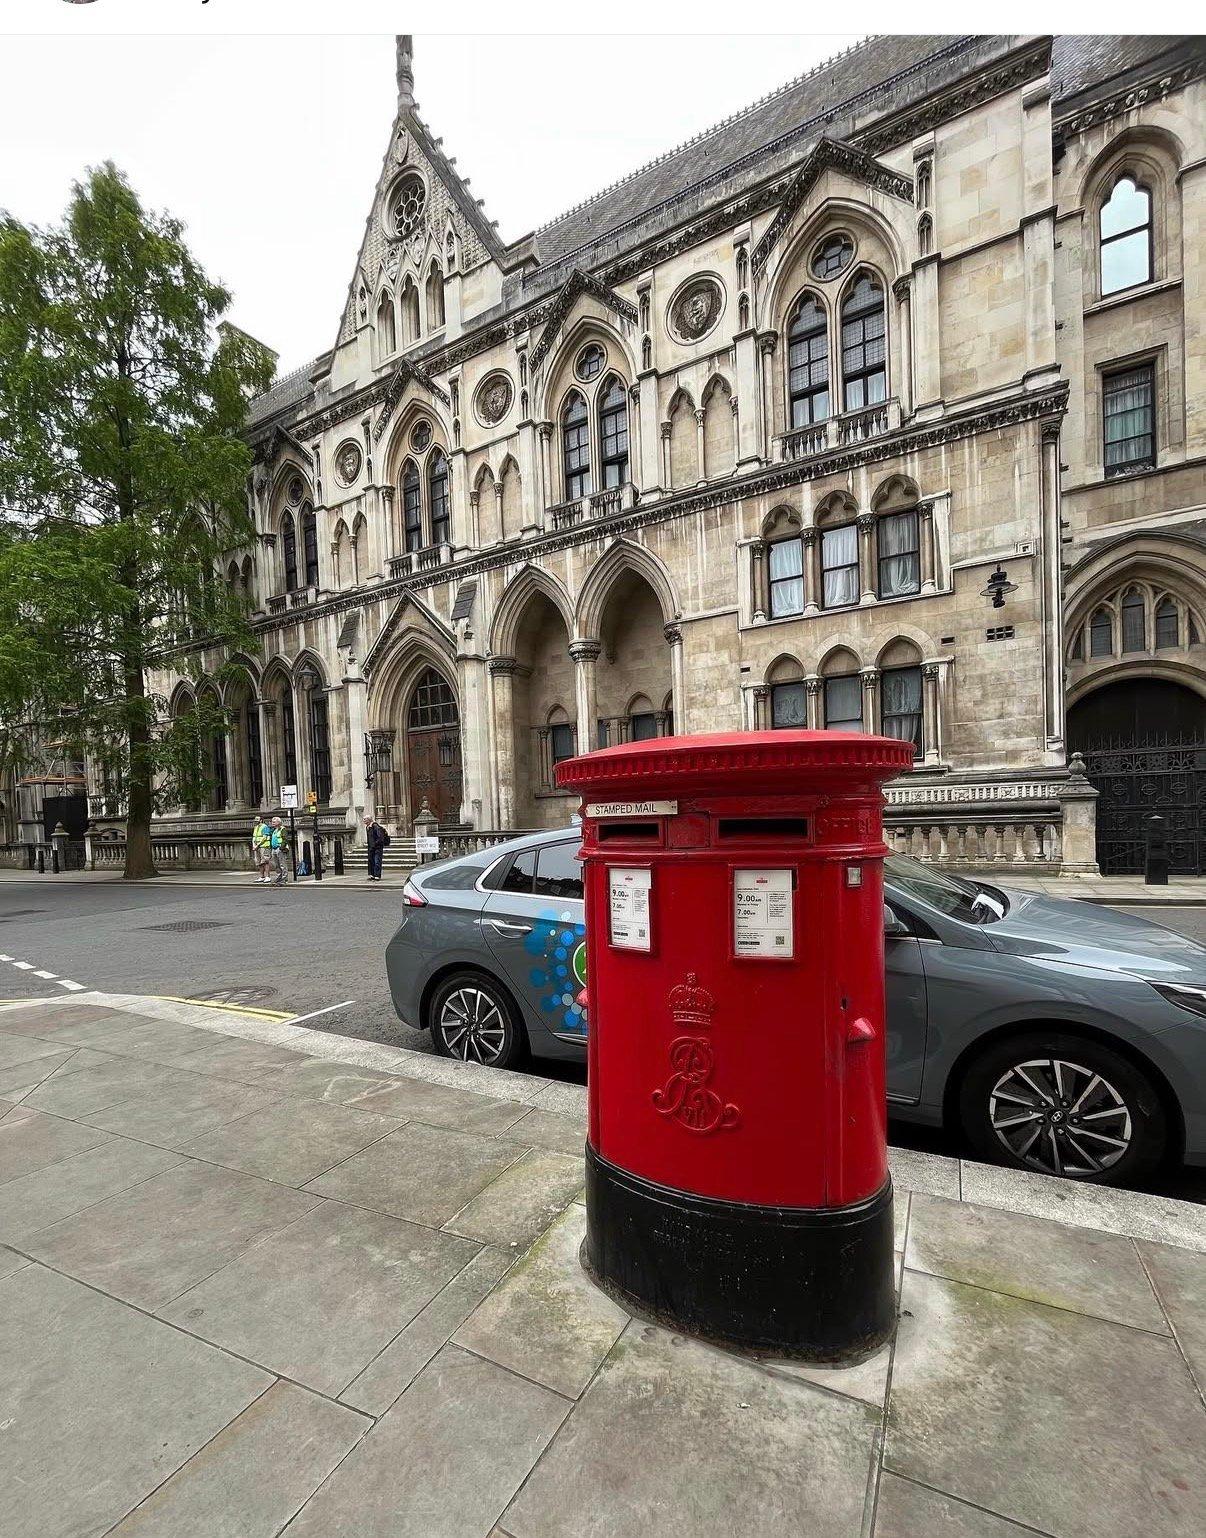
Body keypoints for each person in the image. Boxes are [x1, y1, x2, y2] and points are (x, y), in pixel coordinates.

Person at [364, 813, 389, 881]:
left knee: (377, 861)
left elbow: (380, 837)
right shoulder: (368, 827)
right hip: (371, 847)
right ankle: (372, 875)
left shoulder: (375, 826)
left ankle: (377, 875)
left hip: (377, 847)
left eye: (365, 819)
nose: (363, 821)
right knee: (371, 861)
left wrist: (375, 844)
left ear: (369, 820)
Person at [268, 816, 290, 886]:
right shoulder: (274, 830)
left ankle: (284, 879)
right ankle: (279, 878)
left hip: (279, 849)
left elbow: (285, 839)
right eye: (272, 822)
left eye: (274, 822)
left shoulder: (282, 829)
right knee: (276, 865)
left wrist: (281, 848)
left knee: (282, 865)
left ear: (279, 822)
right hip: (274, 849)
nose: (272, 823)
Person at [251, 816, 272, 884]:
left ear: (261, 820)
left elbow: (264, 837)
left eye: (257, 819)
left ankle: (268, 877)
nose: (255, 820)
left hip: (264, 846)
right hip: (257, 847)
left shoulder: (265, 827)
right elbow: (254, 837)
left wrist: (257, 845)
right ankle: (262, 876)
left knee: (265, 861)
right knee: (259, 862)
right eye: (255, 819)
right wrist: (254, 845)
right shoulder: (256, 827)